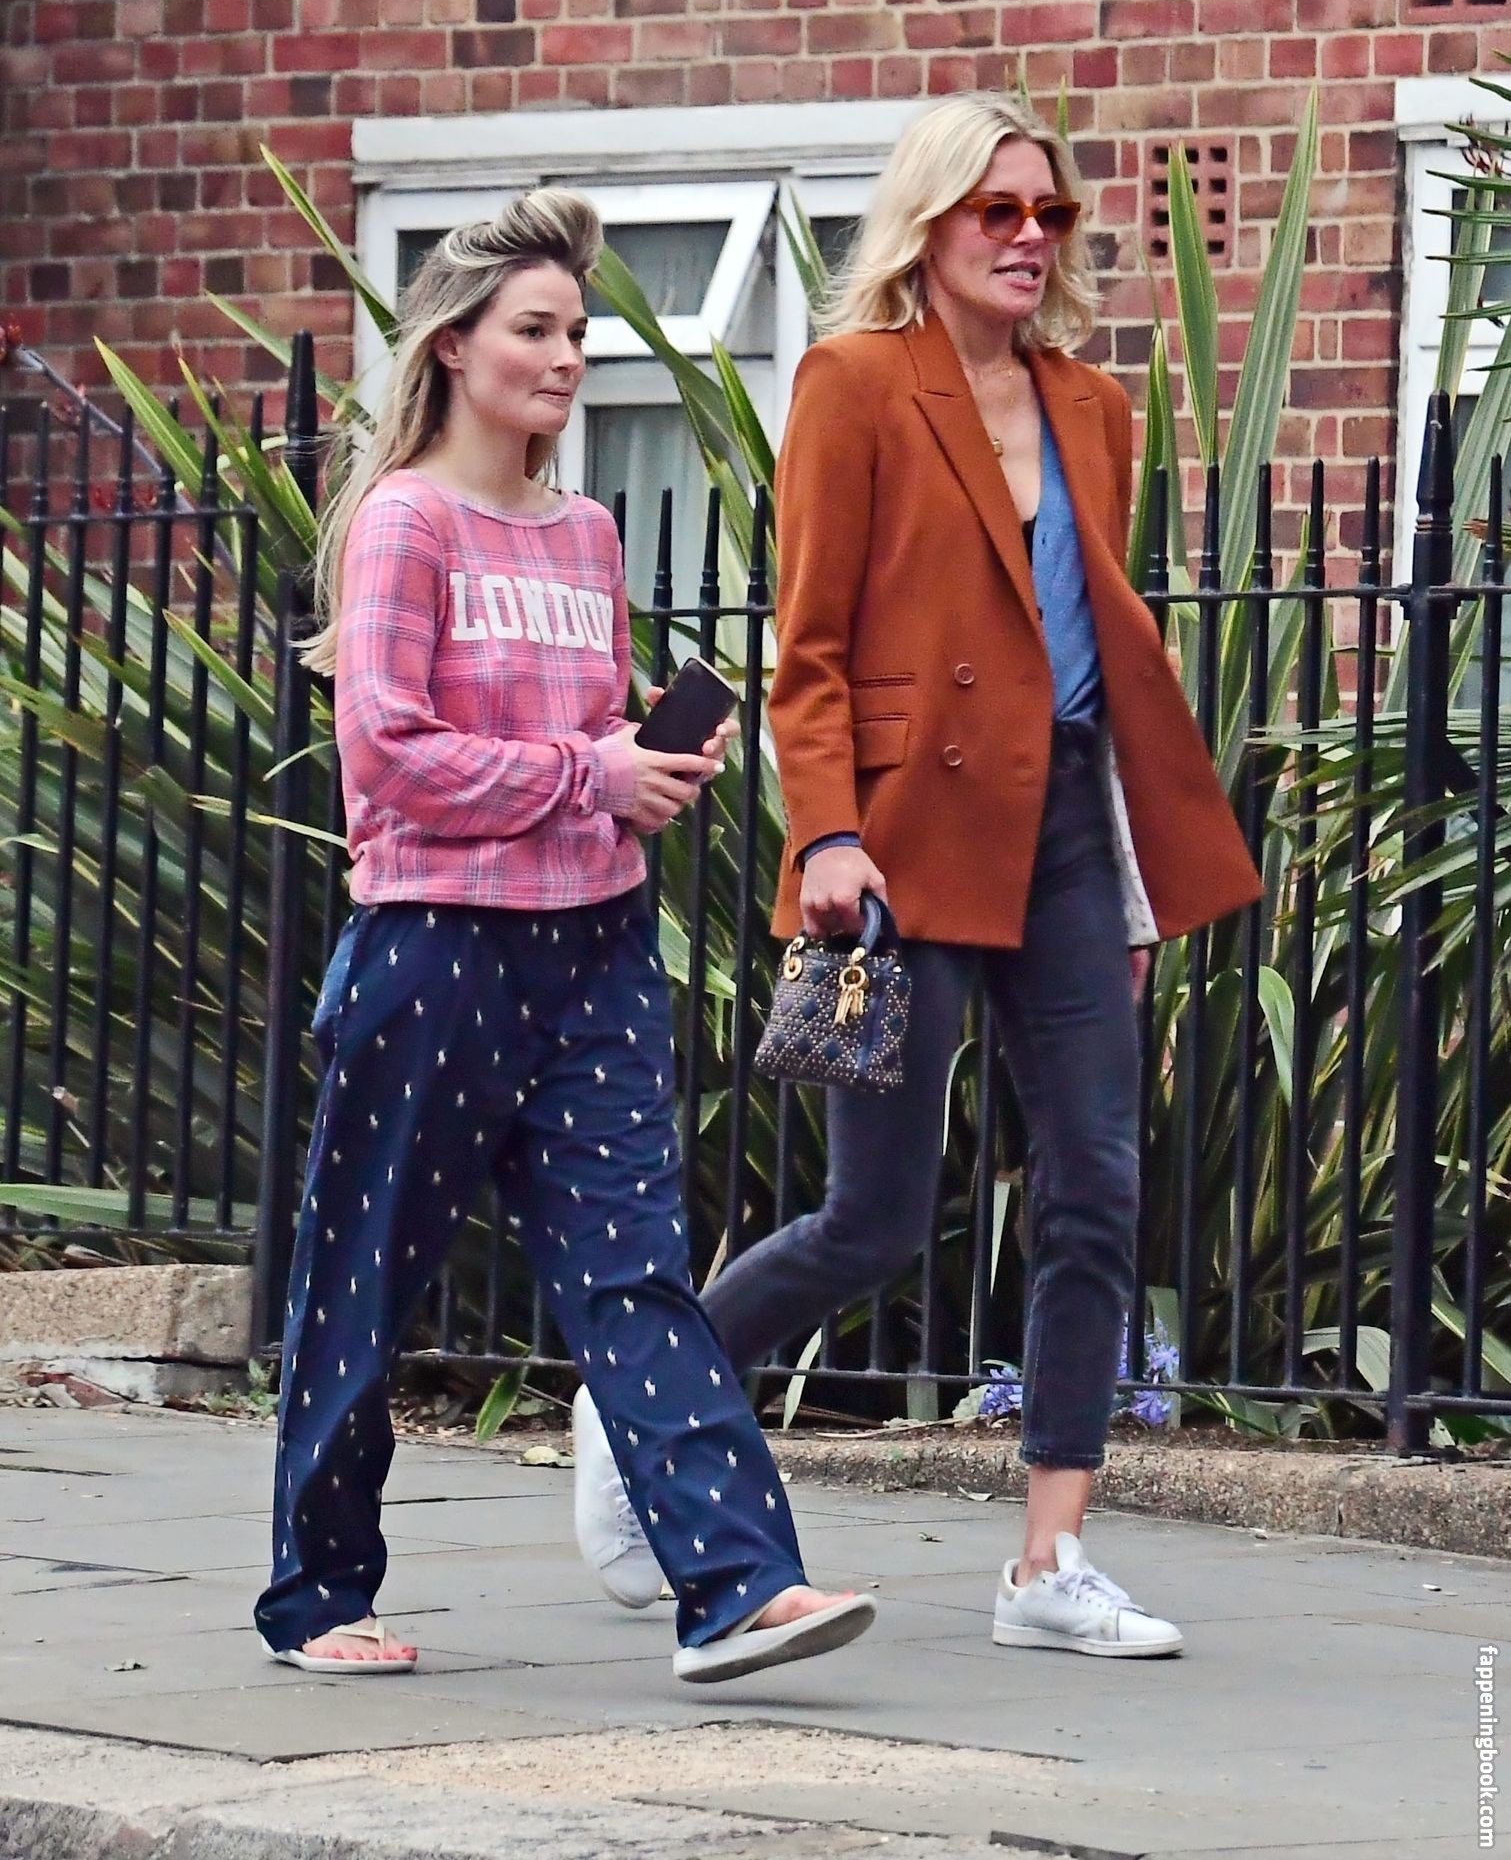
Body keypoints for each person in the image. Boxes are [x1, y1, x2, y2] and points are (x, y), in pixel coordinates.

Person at [574, 94, 1262, 1658]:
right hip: (896, 847)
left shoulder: (1094, 405)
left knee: (1096, 1185)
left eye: (1049, 213)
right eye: (994, 211)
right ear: (930, 222)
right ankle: (637, 1407)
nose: (1028, 238)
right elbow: (808, 644)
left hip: (1068, 836)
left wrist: (1129, 884)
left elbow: (1088, 659)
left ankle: (1050, 1564)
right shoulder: (855, 382)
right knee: (873, 1216)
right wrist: (826, 832)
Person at [252, 189, 876, 1684]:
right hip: (436, 953)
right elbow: (386, 754)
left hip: (595, 946)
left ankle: (738, 1586)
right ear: (454, 348)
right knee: (362, 1281)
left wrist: (647, 756)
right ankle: (318, 1597)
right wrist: (588, 773)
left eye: (578, 332)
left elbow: (591, 731)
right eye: (534, 330)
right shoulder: (407, 523)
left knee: (636, 1273)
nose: (567, 356)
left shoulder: (587, 534)